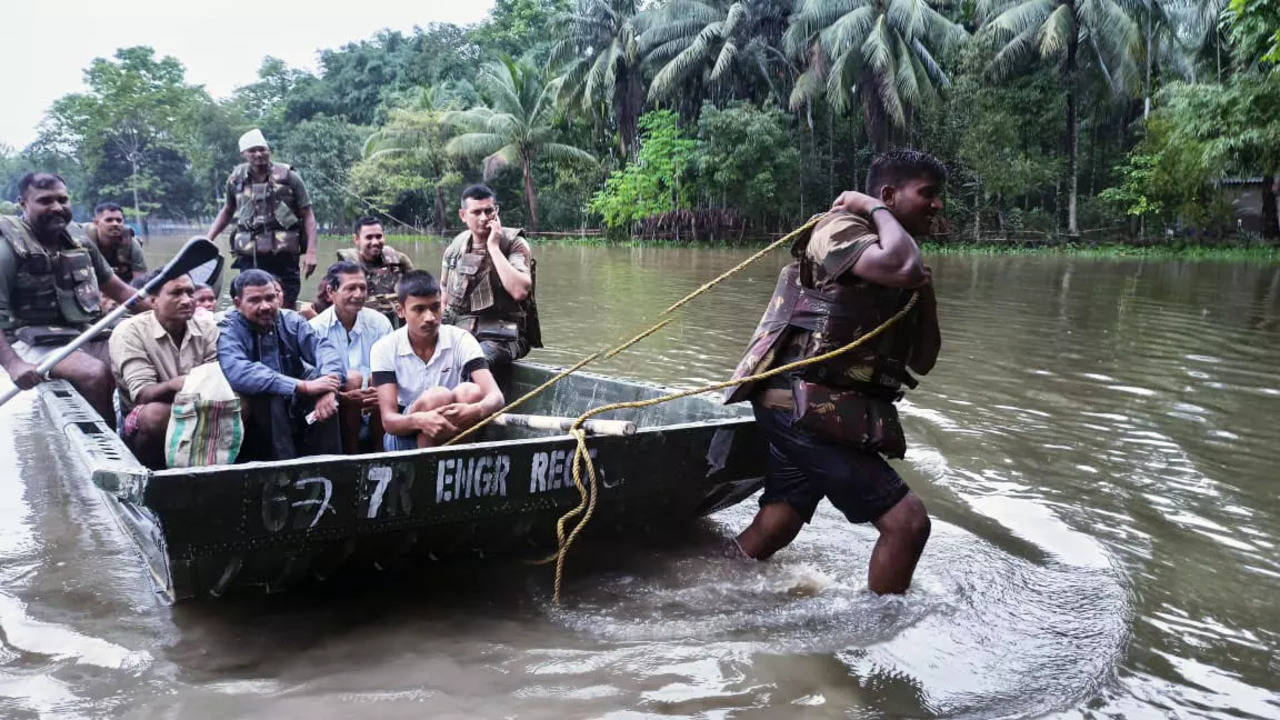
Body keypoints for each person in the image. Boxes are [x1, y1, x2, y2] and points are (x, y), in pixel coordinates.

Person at [723, 149, 943, 595]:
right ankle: (879, 638)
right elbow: (895, 264)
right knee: (907, 523)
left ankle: (700, 578)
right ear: (887, 194)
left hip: (828, 410)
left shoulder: (908, 265)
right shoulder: (839, 227)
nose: (938, 205)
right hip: (798, 404)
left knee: (778, 522)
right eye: (927, 194)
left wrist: (923, 284)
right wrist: (871, 209)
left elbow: (922, 359)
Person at [0, 173, 141, 424]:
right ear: (23, 203)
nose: (57, 207)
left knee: (136, 352)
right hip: (25, 339)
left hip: (77, 331)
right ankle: (111, 443)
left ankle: (135, 427)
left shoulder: (79, 240)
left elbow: (119, 290)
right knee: (93, 374)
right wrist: (14, 365)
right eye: (45, 201)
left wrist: (158, 309)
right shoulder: (6, 248)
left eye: (62, 200)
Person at [217, 269, 343, 460]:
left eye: (270, 298)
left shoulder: (291, 320)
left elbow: (324, 349)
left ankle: (330, 466)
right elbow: (239, 371)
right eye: (254, 300)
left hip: (294, 405)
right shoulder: (228, 328)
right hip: (257, 418)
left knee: (327, 393)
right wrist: (301, 386)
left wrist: (328, 389)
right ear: (237, 304)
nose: (265, 306)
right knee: (270, 394)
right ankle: (285, 472)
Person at [371, 270, 504, 450]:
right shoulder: (384, 347)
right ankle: (430, 468)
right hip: (404, 435)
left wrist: (475, 410)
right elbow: (389, 422)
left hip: (452, 429)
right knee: (438, 397)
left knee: (471, 392)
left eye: (435, 307)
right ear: (400, 311)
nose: (430, 317)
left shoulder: (460, 338)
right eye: (419, 309)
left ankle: (454, 462)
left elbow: (496, 397)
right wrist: (421, 420)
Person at [109, 272, 218, 469]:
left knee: (243, 405)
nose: (186, 300)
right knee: (154, 416)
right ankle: (152, 475)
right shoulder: (129, 331)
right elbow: (142, 394)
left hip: (199, 406)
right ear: (153, 301)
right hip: (148, 417)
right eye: (176, 293)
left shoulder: (207, 327)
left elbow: (215, 375)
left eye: (190, 293)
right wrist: (176, 385)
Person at [205, 129, 317, 309]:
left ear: (268, 150)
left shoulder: (290, 178)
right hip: (250, 257)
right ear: (244, 154)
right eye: (252, 151)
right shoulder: (235, 180)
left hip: (284, 257)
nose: (258, 154)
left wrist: (311, 252)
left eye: (262, 149)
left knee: (285, 305)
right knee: (252, 306)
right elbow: (227, 210)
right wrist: (207, 239)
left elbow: (308, 215)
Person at [441, 184, 541, 369]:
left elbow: (519, 291)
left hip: (504, 337)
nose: (484, 218)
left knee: (476, 360)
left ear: (496, 211)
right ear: (463, 215)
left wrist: (493, 247)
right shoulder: (455, 247)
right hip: (462, 332)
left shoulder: (513, 243)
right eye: (476, 212)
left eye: (489, 211)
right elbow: (444, 299)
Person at [309, 261, 392, 453]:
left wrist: (378, 392)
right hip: (337, 404)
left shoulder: (380, 323)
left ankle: (381, 452)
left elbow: (391, 368)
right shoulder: (315, 328)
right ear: (331, 292)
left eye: (362, 288)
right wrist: (344, 397)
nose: (359, 295)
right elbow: (313, 377)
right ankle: (350, 454)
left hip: (375, 402)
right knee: (352, 378)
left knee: (379, 381)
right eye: (351, 288)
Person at [337, 217, 412, 327]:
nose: (375, 242)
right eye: (369, 237)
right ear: (356, 239)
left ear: (384, 237)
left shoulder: (399, 260)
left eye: (379, 236)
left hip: (397, 324)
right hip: (363, 327)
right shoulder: (345, 266)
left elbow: (418, 289)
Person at [85, 202, 146, 284]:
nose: (115, 224)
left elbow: (140, 281)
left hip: (123, 287)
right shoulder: (83, 241)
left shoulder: (132, 244)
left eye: (119, 220)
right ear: (96, 223)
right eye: (109, 220)